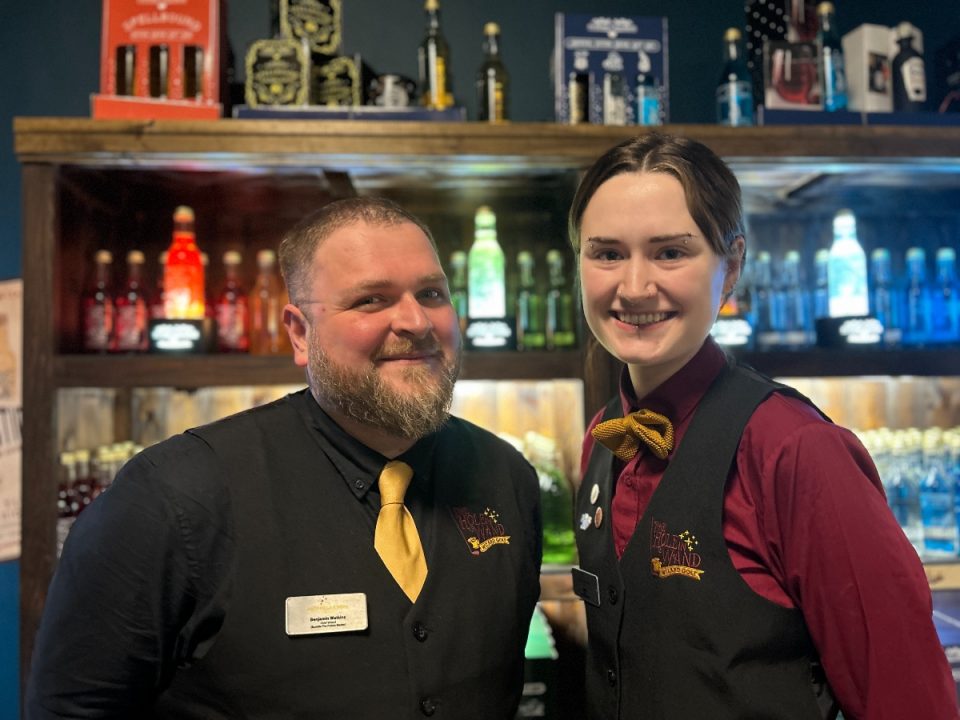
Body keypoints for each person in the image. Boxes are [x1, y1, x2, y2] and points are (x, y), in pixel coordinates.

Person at [26, 196, 543, 719]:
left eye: (431, 293)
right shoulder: (173, 498)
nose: (415, 321)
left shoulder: (507, 479)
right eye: (370, 300)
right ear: (299, 333)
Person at [569, 133, 958, 719]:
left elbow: (907, 699)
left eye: (671, 252)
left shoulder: (796, 450)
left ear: (731, 269)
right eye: (607, 253)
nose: (634, 286)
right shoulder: (602, 438)